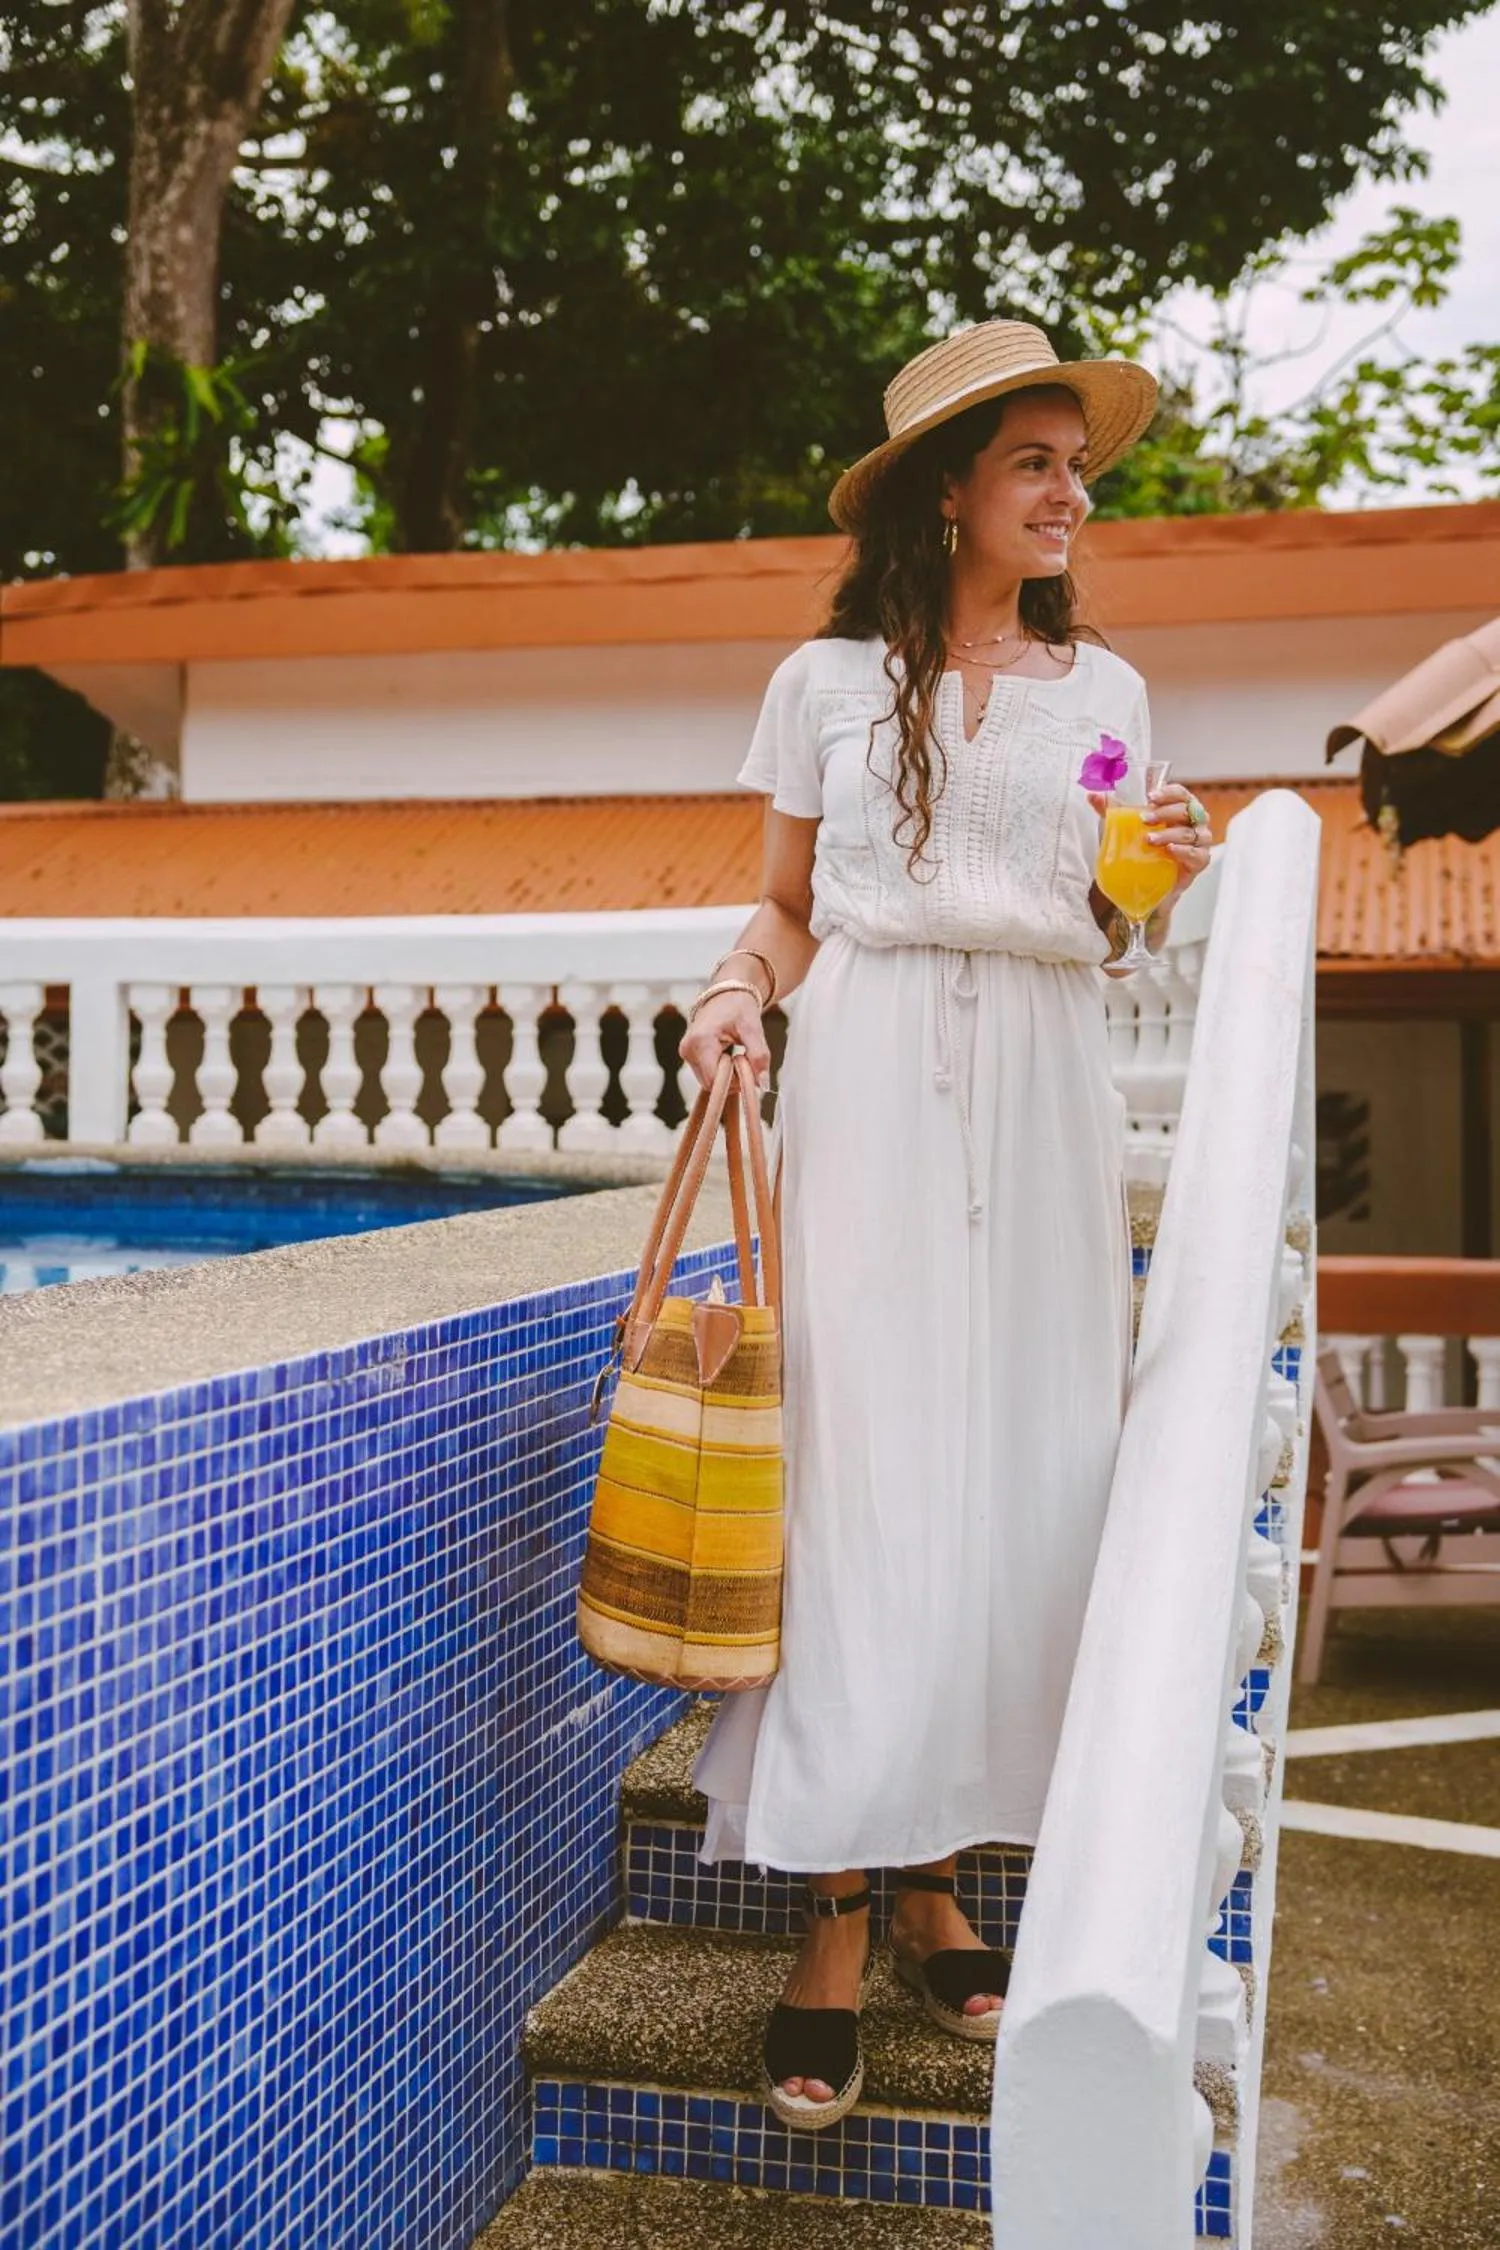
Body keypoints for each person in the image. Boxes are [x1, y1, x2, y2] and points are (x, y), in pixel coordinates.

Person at [678, 320, 1214, 2131]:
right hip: (877, 1074)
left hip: (1047, 1079)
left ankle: (940, 1875)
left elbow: (1110, 906)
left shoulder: (1109, 694)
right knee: (869, 1471)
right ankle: (834, 1914)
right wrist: (734, 994)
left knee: (1024, 1470)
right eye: (1039, 465)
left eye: (1082, 465)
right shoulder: (825, 682)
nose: (1077, 495)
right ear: (950, 492)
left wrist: (1149, 879)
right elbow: (784, 907)